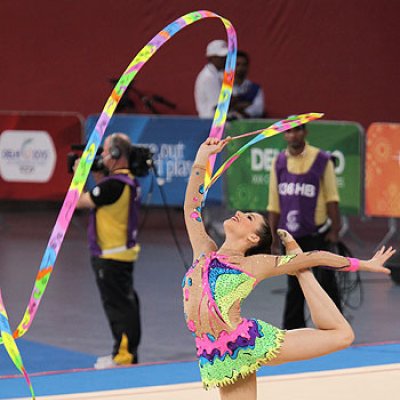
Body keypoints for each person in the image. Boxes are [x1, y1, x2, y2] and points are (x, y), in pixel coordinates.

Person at [182, 136, 393, 399]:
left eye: (249, 217)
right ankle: (297, 264)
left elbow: (317, 257)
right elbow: (191, 206)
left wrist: (364, 264)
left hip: (248, 343)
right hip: (217, 352)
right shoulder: (204, 250)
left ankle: (299, 268)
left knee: (343, 336)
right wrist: (203, 156)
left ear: (253, 239)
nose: (240, 213)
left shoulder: (254, 264)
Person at [267, 124, 343, 329]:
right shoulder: (279, 162)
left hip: (317, 233)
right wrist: (273, 237)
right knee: (295, 285)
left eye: (298, 130)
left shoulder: (321, 159)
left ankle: (336, 327)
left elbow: (332, 197)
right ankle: (293, 329)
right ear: (285, 135)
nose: (293, 134)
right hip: (290, 236)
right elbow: (274, 203)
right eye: (289, 131)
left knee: (326, 281)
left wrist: (335, 229)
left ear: (305, 133)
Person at [76, 133, 141, 368]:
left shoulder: (114, 185)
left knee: (118, 307)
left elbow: (79, 201)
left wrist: (78, 176)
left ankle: (123, 357)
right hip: (119, 253)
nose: (101, 157)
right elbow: (100, 195)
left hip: (111, 255)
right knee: (125, 304)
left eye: (104, 152)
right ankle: (123, 353)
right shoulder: (124, 182)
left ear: (115, 154)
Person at [194, 39, 228, 118]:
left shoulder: (218, 74)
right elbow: (219, 105)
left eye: (226, 57)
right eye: (221, 57)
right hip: (210, 123)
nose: (225, 60)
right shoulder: (209, 77)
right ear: (211, 58)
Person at [229, 50, 265, 119]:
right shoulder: (222, 86)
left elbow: (258, 109)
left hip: (247, 125)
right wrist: (243, 105)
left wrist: (240, 111)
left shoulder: (255, 88)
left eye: (244, 65)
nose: (241, 68)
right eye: (237, 64)